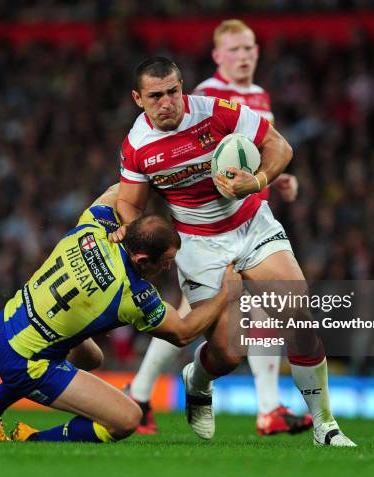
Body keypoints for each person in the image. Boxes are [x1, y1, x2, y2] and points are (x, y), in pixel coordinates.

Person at [113, 57, 356, 446]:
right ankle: (198, 380)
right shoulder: (138, 146)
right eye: (155, 96)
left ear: (182, 88)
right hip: (200, 245)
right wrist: (133, 234)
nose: (167, 102)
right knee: (227, 353)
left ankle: (325, 425)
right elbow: (130, 205)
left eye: (173, 91)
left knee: (299, 318)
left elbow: (279, 145)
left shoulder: (216, 112)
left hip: (251, 226)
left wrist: (257, 180)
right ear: (138, 98)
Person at [127, 19, 312, 437]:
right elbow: (189, 161)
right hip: (208, 230)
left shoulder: (258, 95)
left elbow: (252, 150)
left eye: (250, 48)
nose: (244, 56)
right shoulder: (206, 98)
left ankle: (267, 407)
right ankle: (141, 392)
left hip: (251, 216)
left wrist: (275, 177)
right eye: (235, 50)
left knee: (259, 311)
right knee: (202, 321)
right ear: (217, 56)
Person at [0, 184, 241, 443]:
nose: (168, 268)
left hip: (9, 321)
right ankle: (34, 441)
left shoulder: (95, 225)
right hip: (27, 361)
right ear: (142, 259)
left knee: (90, 357)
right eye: (166, 262)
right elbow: (183, 332)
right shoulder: (132, 294)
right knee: (126, 419)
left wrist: (156, 180)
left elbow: (120, 191)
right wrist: (226, 293)